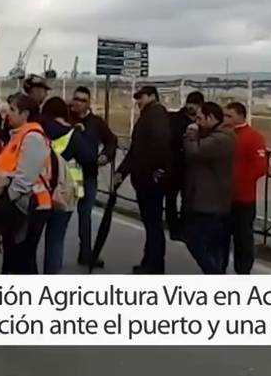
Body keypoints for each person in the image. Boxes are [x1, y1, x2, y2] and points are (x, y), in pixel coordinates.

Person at [115, 85, 171, 274]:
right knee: (151, 224)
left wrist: (155, 170)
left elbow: (155, 147)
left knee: (153, 224)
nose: (138, 101)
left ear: (152, 96)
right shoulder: (151, 115)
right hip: (146, 178)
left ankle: (154, 264)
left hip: (149, 180)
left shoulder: (155, 115)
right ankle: (151, 262)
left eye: (141, 97)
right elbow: (137, 150)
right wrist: (122, 172)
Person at [0, 94, 53, 274]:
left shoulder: (32, 138)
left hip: (30, 205)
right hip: (21, 205)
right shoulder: (18, 136)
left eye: (12, 110)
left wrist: (6, 199)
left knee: (23, 260)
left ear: (25, 114)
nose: (7, 114)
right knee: (15, 259)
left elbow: (25, 178)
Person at [40, 96, 96, 274]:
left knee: (30, 239)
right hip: (65, 190)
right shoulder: (73, 134)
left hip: (39, 188)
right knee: (56, 239)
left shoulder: (37, 129)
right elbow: (89, 157)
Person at [183, 102, 236, 274]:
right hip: (210, 200)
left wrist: (190, 132)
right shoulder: (218, 136)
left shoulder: (221, 139)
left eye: (200, 118)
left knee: (195, 240)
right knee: (213, 245)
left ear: (211, 118)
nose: (197, 122)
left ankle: (215, 274)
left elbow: (194, 152)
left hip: (209, 202)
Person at [69, 85, 118, 268]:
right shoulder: (66, 118)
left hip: (88, 174)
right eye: (76, 98)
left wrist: (106, 155)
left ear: (89, 103)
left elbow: (112, 140)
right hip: (67, 174)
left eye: (82, 100)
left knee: (85, 214)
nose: (78, 103)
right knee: (60, 214)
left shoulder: (96, 122)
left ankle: (86, 253)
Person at [222, 101, 268, 274]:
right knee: (221, 237)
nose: (225, 119)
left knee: (243, 239)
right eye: (225, 115)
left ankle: (243, 272)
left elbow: (260, 167)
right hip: (224, 198)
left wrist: (239, 182)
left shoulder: (253, 137)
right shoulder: (224, 134)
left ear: (240, 116)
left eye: (229, 116)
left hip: (243, 198)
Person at [166, 91, 204, 241]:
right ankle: (174, 228)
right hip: (174, 163)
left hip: (192, 166)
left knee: (188, 199)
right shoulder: (174, 119)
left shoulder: (202, 121)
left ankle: (185, 227)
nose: (191, 107)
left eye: (195, 105)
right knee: (171, 198)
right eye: (190, 103)